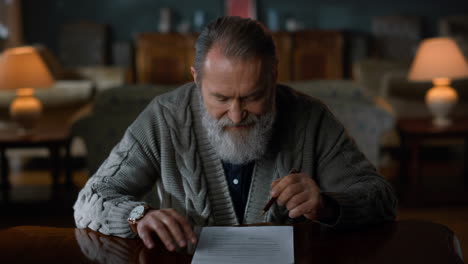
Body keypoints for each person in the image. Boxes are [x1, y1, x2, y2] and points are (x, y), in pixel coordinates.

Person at [74, 16, 396, 252]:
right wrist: (136, 216)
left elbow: (381, 198)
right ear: (196, 78)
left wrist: (328, 205)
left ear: (274, 76)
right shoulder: (163, 116)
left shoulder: (311, 117)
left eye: (253, 96)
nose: (237, 114)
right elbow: (89, 201)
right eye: (221, 98)